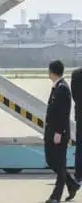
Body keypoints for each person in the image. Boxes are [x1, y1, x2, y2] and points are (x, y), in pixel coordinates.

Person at [46, 60, 78, 202]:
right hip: (52, 132)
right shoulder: (57, 87)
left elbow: (63, 113)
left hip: (58, 134)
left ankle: (55, 197)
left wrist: (58, 133)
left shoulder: (62, 88)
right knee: (51, 161)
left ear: (52, 72)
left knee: (59, 164)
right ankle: (72, 184)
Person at [71, 65, 82, 185]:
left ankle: (78, 175)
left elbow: (74, 95)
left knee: (80, 146)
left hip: (80, 115)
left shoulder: (76, 74)